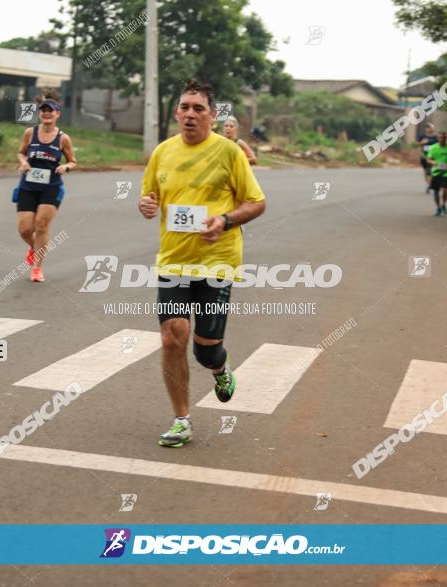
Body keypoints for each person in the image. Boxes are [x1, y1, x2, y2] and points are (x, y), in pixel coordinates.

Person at [138, 80, 266, 448]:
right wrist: (146, 206)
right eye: (185, 107)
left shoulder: (229, 153)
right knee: (171, 337)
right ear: (176, 113)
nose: (190, 114)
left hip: (216, 262)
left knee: (205, 348)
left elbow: (257, 202)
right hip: (174, 261)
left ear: (212, 116)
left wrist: (224, 221)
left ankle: (220, 369)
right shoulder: (163, 153)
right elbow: (150, 199)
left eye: (199, 108)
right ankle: (182, 419)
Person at [13, 92, 76, 282]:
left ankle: (37, 268)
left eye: (51, 111)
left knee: (41, 225)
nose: (47, 113)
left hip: (51, 186)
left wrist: (65, 166)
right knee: (25, 229)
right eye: (43, 110)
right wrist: (23, 162)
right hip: (28, 186)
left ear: (57, 114)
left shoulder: (63, 138)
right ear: (39, 113)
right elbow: (20, 153)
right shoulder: (30, 133)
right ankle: (34, 247)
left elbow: (73, 161)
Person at [426, 130, 447, 216]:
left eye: (443, 137)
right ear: (438, 138)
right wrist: (433, 163)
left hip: (446, 173)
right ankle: (438, 207)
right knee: (436, 192)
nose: (441, 139)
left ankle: (444, 204)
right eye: (439, 137)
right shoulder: (433, 148)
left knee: (444, 190)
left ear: (446, 138)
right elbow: (428, 159)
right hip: (436, 172)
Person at [417, 125, 438, 193]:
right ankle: (429, 185)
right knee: (426, 172)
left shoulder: (436, 138)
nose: (428, 129)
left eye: (430, 128)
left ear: (433, 129)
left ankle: (430, 185)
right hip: (424, 157)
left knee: (431, 171)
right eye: (427, 128)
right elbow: (417, 144)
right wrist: (421, 143)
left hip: (433, 157)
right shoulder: (422, 137)